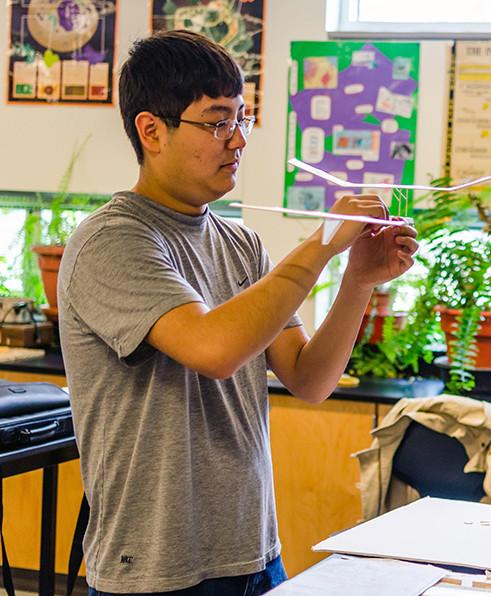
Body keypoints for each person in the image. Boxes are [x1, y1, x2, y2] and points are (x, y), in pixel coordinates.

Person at [58, 30, 418, 595]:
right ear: (151, 130)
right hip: (156, 570)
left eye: (242, 119)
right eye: (217, 122)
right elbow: (213, 349)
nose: (238, 140)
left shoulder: (242, 244)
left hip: (253, 553)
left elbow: (309, 377)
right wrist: (322, 242)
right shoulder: (113, 241)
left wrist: (358, 279)